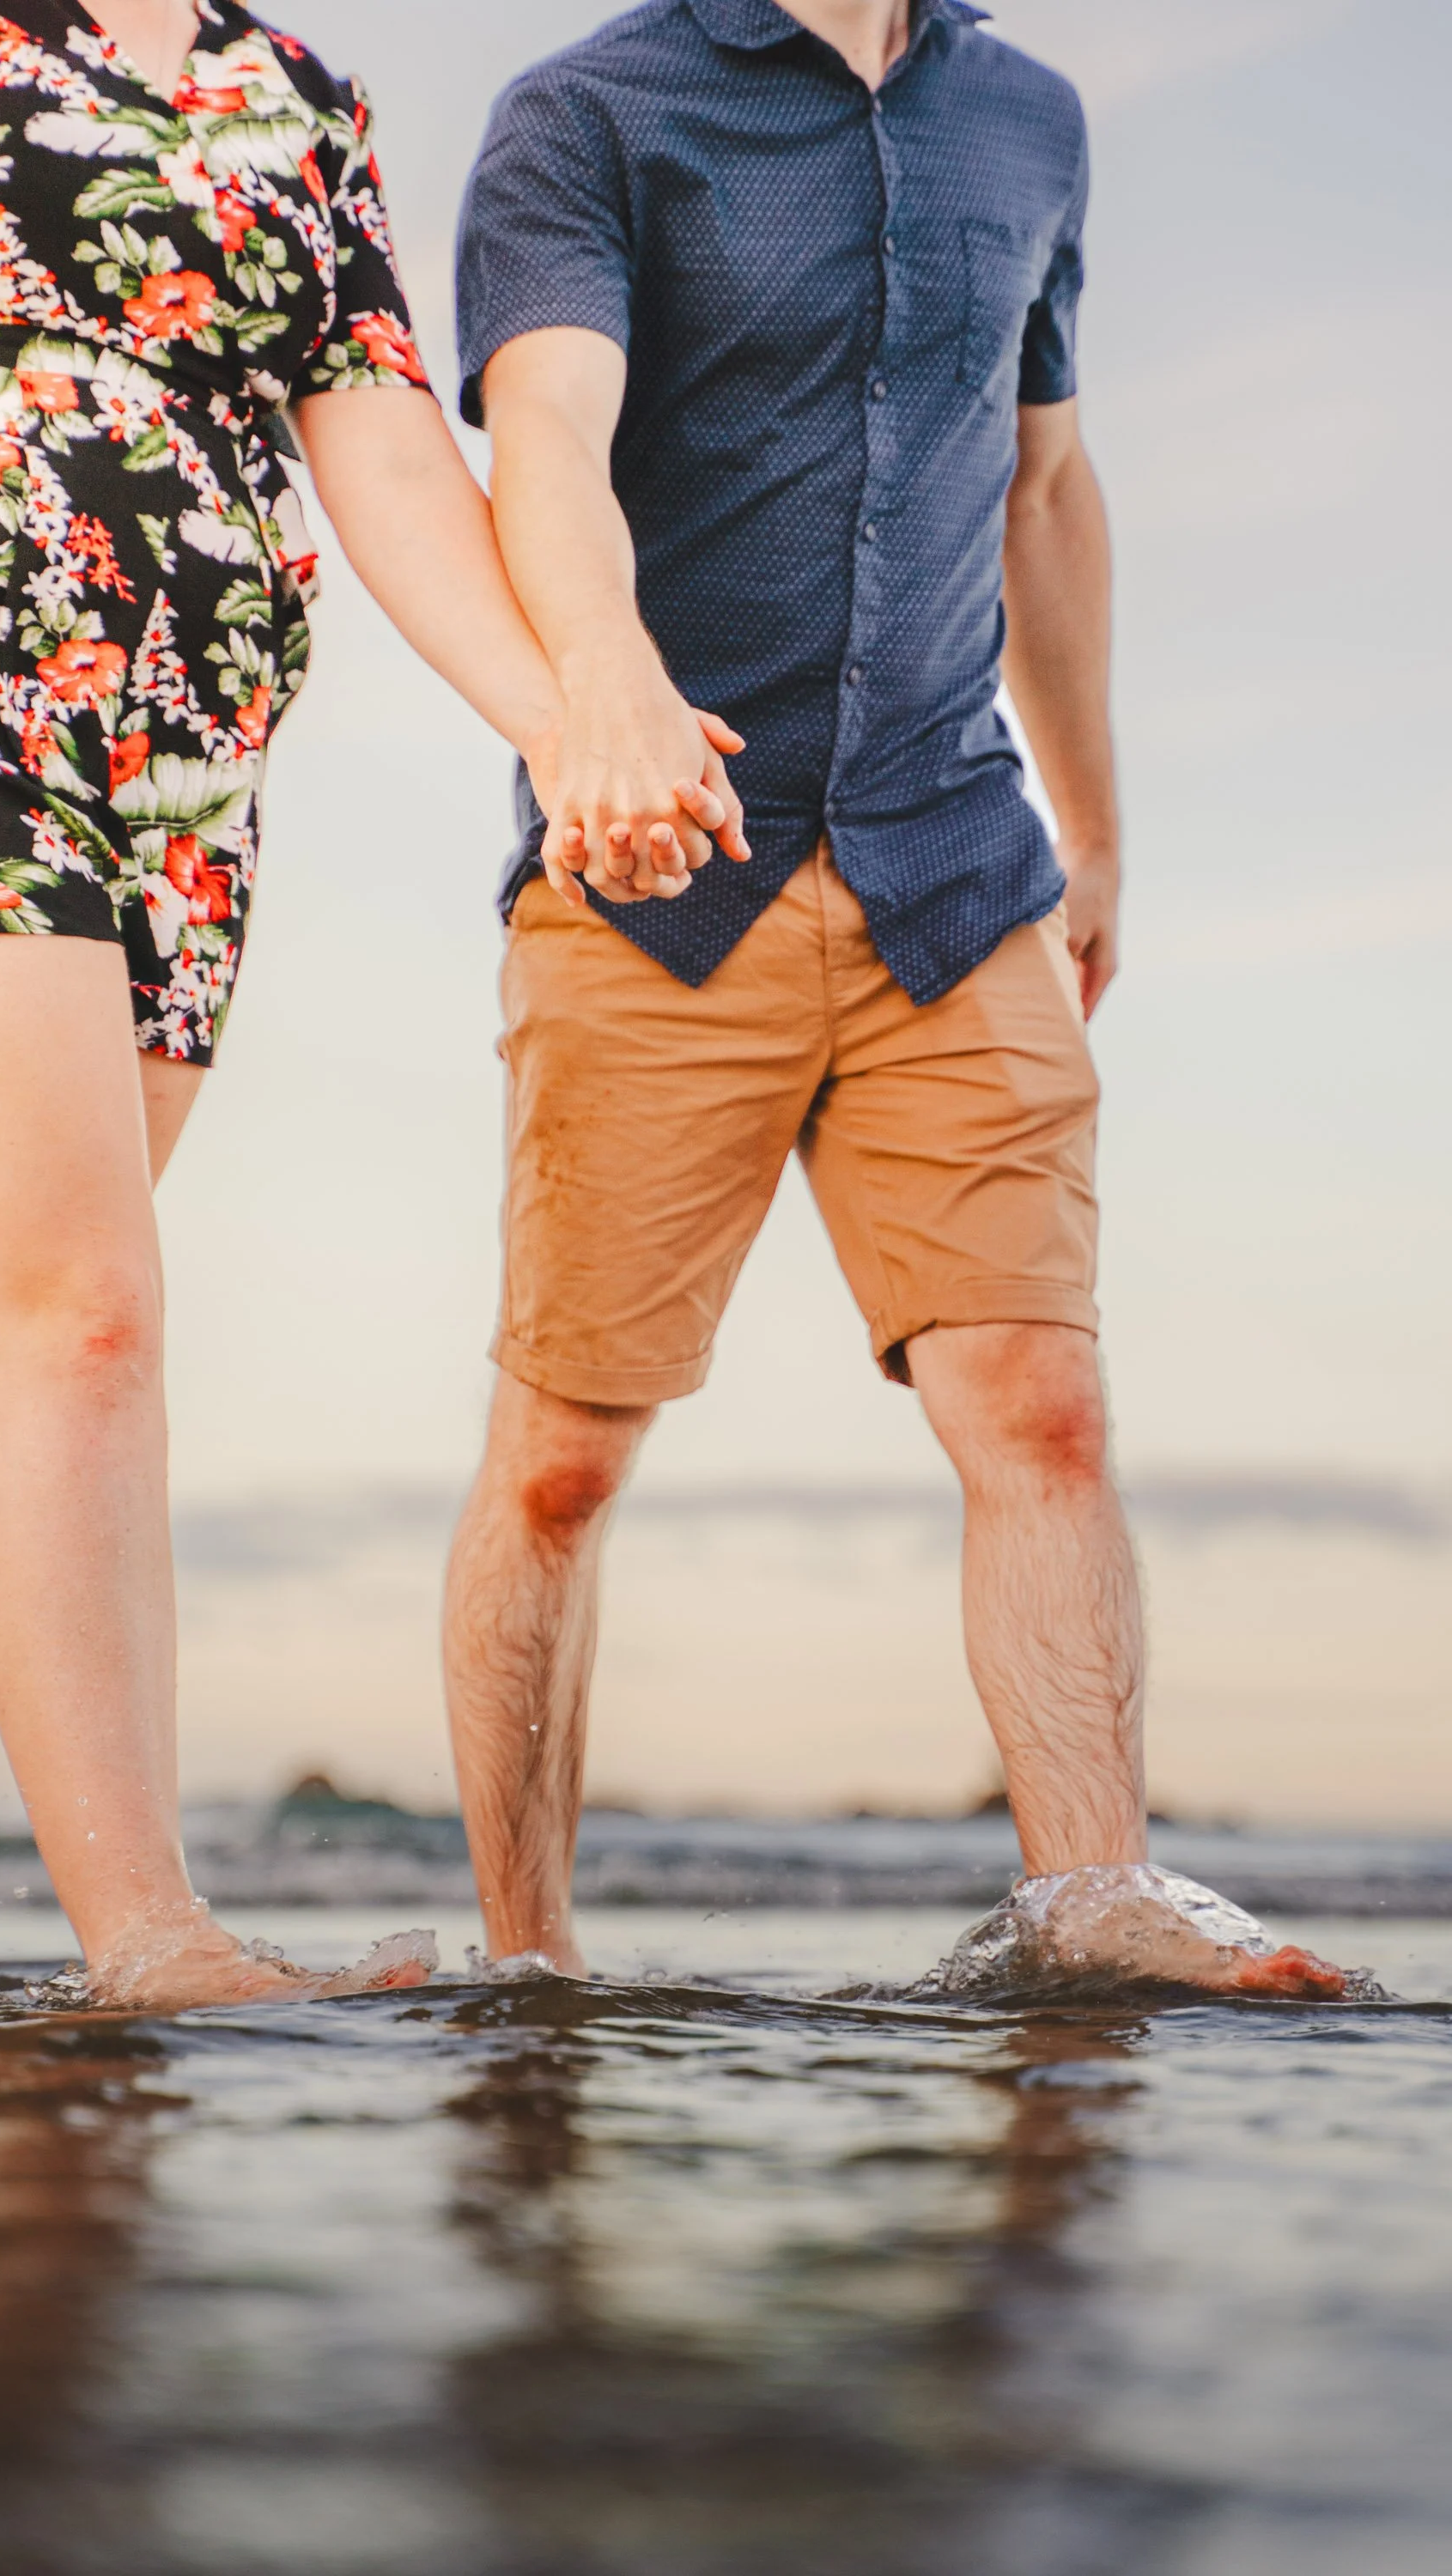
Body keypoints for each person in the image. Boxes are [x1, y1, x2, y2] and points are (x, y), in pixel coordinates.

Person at [0, 0, 739, 2006]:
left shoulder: (295, 100)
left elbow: (384, 469)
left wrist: (564, 734)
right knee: (80, 1314)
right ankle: (148, 1933)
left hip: (173, 764)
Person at [441, 0, 1340, 1995]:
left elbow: (1044, 490)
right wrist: (599, 688)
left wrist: (1093, 828)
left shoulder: (1024, 118)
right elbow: (551, 447)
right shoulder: (587, 114)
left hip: (956, 866)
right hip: (664, 873)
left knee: (1041, 1402)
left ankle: (1097, 1900)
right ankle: (531, 1965)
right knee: (564, 1456)